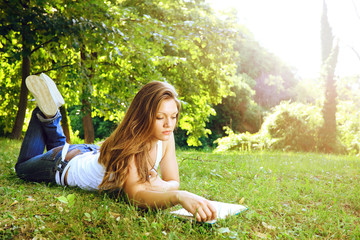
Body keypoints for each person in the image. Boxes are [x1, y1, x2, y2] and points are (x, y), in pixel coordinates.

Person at [15, 73, 217, 222]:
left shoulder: (166, 136)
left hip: (89, 152)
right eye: (159, 117)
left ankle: (51, 116)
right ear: (144, 115)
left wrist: (160, 185)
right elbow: (135, 195)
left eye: (173, 117)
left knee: (59, 146)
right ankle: (46, 114)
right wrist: (176, 195)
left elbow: (173, 181)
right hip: (63, 164)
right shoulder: (133, 146)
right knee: (22, 167)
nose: (169, 125)